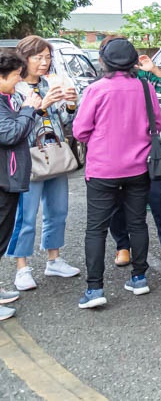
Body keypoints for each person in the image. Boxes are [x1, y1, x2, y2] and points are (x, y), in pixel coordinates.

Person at [73, 38, 159, 309]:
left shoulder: (96, 90)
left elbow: (80, 132)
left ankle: (95, 288)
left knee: (96, 229)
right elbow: (156, 124)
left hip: (103, 169)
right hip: (139, 167)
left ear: (103, 62)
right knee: (137, 223)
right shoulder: (145, 87)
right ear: (135, 62)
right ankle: (139, 277)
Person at [99, 36, 161, 266]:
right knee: (116, 202)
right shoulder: (101, 81)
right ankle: (123, 247)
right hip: (112, 151)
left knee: (157, 196)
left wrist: (154, 69)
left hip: (144, 148)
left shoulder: (142, 76)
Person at [7, 37, 81, 291]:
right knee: (25, 216)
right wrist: (42, 105)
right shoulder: (12, 88)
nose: (44, 62)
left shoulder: (50, 83)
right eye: (38, 57)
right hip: (28, 157)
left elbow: (63, 120)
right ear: (24, 59)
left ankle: (54, 259)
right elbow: (15, 126)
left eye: (47, 57)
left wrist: (70, 104)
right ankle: (22, 267)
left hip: (55, 153)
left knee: (58, 210)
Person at [0, 50, 43, 320]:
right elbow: (10, 133)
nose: (18, 81)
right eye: (16, 76)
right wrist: (29, 108)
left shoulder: (6, 98)